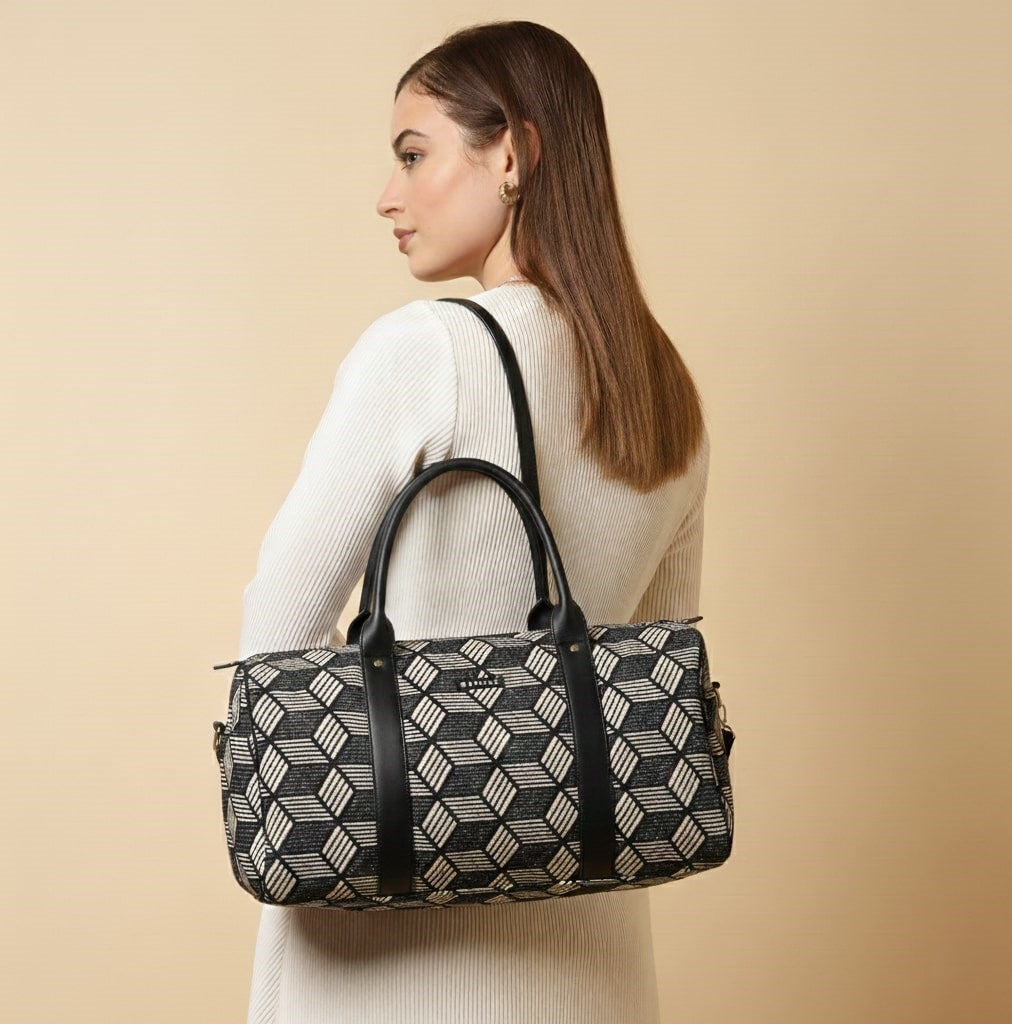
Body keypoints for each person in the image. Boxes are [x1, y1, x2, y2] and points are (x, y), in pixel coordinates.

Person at [237, 19, 711, 1024]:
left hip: (396, 949)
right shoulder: (662, 388)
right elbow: (648, 668)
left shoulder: (428, 351)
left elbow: (275, 634)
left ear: (513, 154)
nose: (387, 194)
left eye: (413, 154)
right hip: (593, 957)